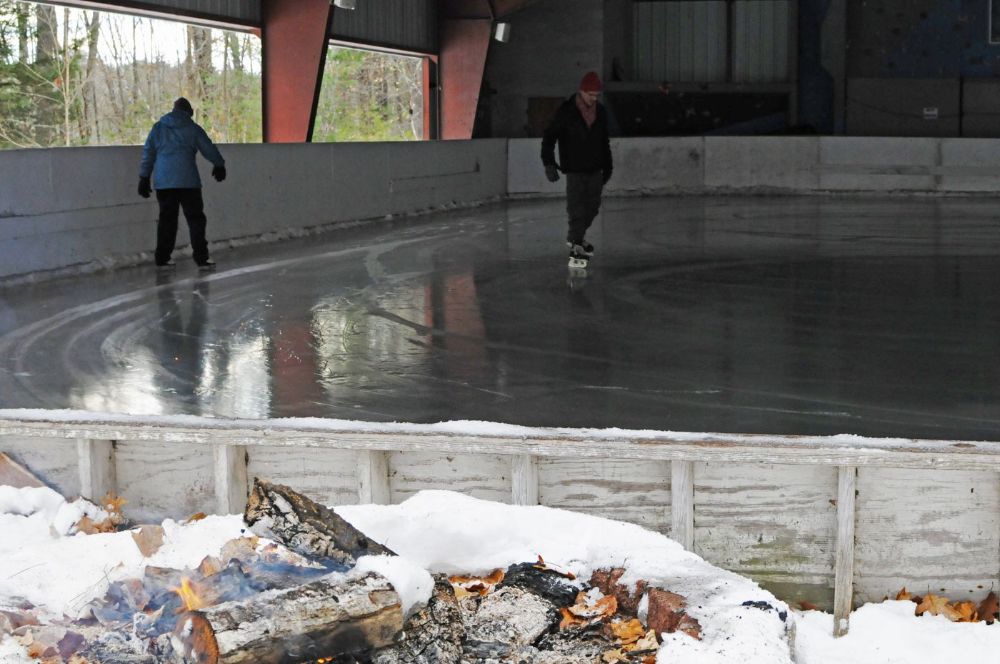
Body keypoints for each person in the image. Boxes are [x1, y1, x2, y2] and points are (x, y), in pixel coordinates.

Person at [138, 97, 226, 269]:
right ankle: (202, 258)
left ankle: (163, 258)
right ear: (189, 112)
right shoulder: (193, 128)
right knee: (196, 220)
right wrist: (219, 164)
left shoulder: (158, 128)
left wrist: (144, 177)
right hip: (188, 182)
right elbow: (207, 147)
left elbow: (148, 153)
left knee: (167, 221)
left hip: (164, 183)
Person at [541, 71, 613, 263]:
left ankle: (576, 238)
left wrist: (608, 166)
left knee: (593, 207)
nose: (593, 98)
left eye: (596, 95)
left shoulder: (601, 112)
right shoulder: (567, 111)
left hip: (595, 167)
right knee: (576, 208)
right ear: (581, 91)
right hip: (574, 168)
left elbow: (604, 141)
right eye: (591, 94)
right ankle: (576, 243)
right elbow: (549, 137)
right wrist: (548, 162)